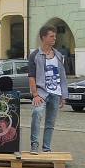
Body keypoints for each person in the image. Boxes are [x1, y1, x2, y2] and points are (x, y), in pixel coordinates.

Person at [28, 24, 68, 154]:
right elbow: (31, 77)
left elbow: (62, 76)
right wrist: (35, 94)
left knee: (50, 122)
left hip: (56, 92)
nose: (54, 39)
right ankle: (34, 144)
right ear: (43, 37)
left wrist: (64, 95)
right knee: (37, 113)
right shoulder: (35, 55)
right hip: (41, 92)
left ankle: (47, 148)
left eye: (55, 36)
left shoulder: (58, 55)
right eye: (51, 36)